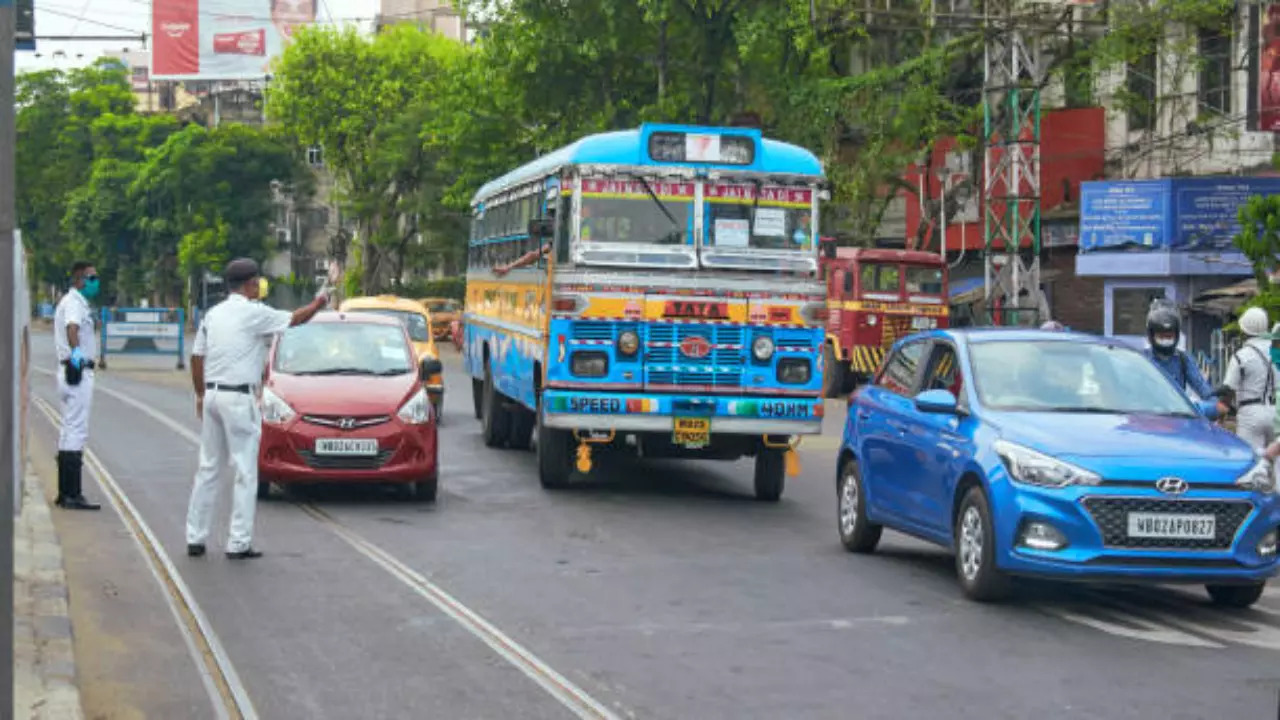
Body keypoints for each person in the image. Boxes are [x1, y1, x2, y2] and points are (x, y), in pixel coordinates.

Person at [185, 259, 330, 560]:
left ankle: (195, 537)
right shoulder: (253, 313)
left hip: (212, 395)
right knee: (245, 472)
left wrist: (200, 394)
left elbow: (197, 357)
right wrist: (318, 302)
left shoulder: (213, 314)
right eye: (258, 282)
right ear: (250, 284)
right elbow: (294, 319)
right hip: (237, 399)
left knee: (208, 468)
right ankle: (238, 542)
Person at [52, 261, 102, 510]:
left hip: (70, 371)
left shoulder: (77, 302)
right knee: (76, 430)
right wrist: (77, 357)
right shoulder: (73, 303)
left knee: (68, 428)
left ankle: (65, 492)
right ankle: (72, 494)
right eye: (92, 278)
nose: (96, 282)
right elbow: (72, 328)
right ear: (80, 280)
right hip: (77, 372)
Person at [1142, 301, 1219, 410]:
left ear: (1177, 335)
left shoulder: (1183, 360)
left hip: (1176, 416)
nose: (1165, 339)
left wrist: (1215, 406)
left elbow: (1203, 389)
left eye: (1169, 336)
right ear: (1151, 335)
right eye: (1161, 336)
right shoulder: (1142, 360)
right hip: (1146, 416)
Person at [1222, 306, 1274, 450]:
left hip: (1250, 414)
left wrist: (1220, 415)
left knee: (1252, 460)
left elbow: (1228, 390)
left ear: (1244, 331)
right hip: (1276, 412)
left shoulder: (1241, 356)